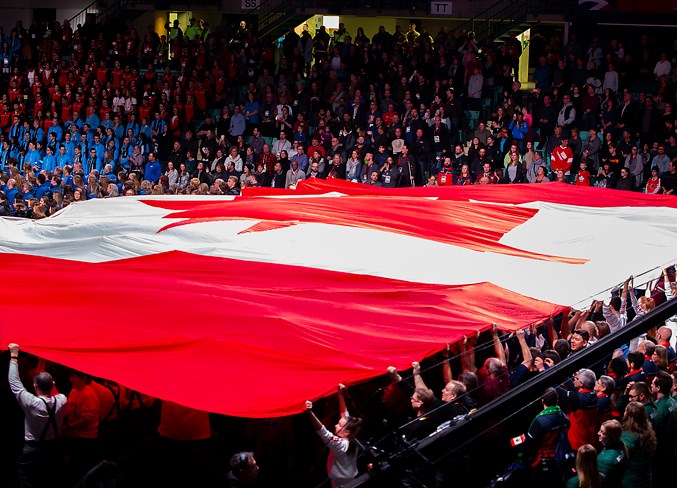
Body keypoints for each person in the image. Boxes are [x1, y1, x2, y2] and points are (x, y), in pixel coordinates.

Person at [8, 343, 68, 488]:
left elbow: (14, 382)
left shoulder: (32, 403)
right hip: (54, 448)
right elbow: (53, 390)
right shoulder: (62, 400)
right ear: (52, 384)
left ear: (34, 386)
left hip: (33, 450)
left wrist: (14, 356)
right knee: (49, 479)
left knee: (28, 480)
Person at [305, 385, 363, 488]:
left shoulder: (341, 446)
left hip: (342, 483)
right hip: (348, 478)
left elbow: (323, 432)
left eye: (340, 425)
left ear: (347, 432)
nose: (336, 425)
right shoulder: (353, 437)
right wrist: (340, 393)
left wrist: (310, 412)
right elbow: (344, 415)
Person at [524, 387, 571, 483]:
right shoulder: (564, 418)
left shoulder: (539, 421)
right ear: (557, 401)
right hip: (560, 459)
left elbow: (528, 444)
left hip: (541, 461)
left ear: (542, 401)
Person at [620, 401, 656, 488]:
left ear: (630, 416)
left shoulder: (630, 436)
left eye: (625, 411)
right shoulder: (648, 431)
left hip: (631, 481)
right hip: (646, 479)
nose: (623, 413)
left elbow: (620, 456)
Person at [596, 420, 628, 486]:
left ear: (611, 437)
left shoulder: (607, 460)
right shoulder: (620, 446)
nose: (598, 433)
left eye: (602, 432)